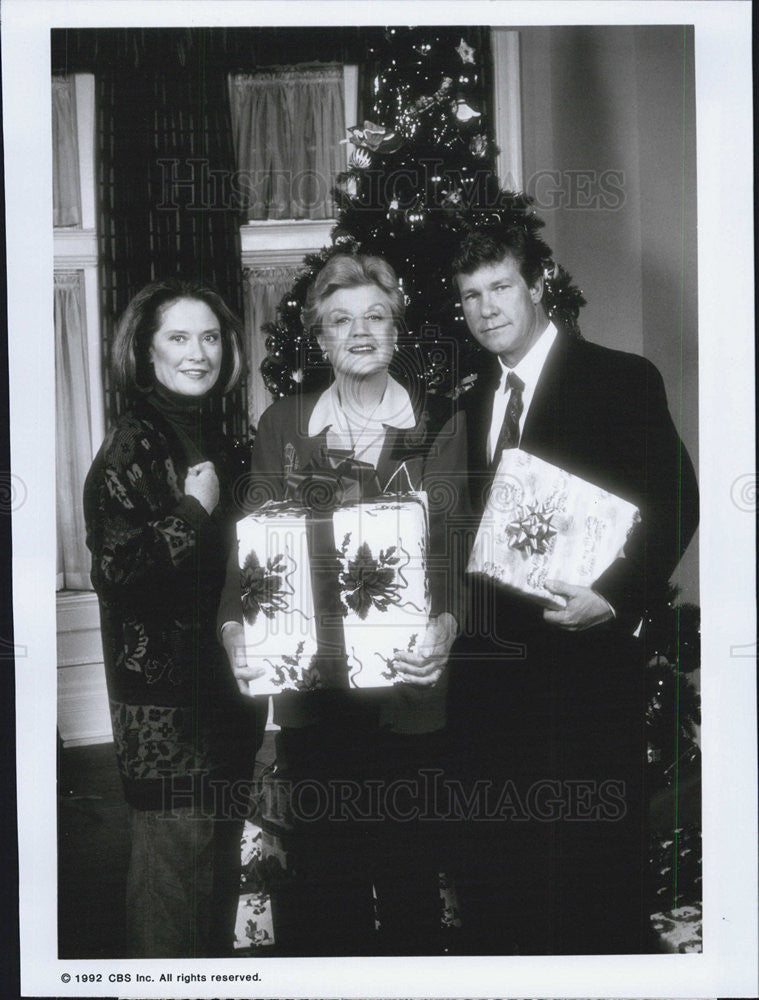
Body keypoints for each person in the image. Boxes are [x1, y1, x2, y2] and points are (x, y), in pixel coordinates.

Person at [446, 222, 699, 954]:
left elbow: (675, 498)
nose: (486, 308)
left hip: (581, 674)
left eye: (499, 287)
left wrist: (614, 594)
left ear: (534, 288)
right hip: (493, 682)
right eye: (469, 296)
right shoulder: (471, 404)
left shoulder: (619, 378)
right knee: (503, 876)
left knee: (589, 876)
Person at [217, 253, 469, 955]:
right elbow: (254, 552)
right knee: (327, 880)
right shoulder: (285, 424)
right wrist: (235, 625)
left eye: (374, 317)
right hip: (313, 692)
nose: (359, 332)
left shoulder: (439, 423)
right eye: (339, 321)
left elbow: (454, 553)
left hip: (408, 692)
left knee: (410, 875)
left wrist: (446, 626)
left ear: (396, 329)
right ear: (320, 339)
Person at [83, 279, 267, 957]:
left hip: (225, 688)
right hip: (165, 708)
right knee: (174, 871)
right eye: (179, 337)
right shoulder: (136, 440)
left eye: (211, 337)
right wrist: (192, 511)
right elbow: (117, 574)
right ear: (144, 350)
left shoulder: (220, 433)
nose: (200, 353)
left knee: (216, 865)